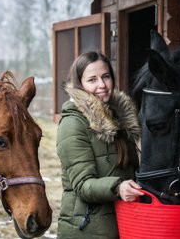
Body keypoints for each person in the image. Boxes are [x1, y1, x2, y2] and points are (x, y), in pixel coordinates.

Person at [56, 51, 144, 238]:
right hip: (86, 229)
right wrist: (118, 188)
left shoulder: (121, 118)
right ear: (80, 85)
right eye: (92, 80)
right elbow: (82, 185)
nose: (102, 85)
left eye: (106, 77)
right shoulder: (73, 123)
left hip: (121, 223)